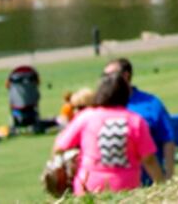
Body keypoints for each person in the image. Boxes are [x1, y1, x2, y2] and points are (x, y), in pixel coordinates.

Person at [48, 60, 162, 192]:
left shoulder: (86, 117)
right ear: (125, 95)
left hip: (88, 186)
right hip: (125, 187)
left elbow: (59, 147)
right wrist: (162, 185)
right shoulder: (135, 120)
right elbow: (148, 159)